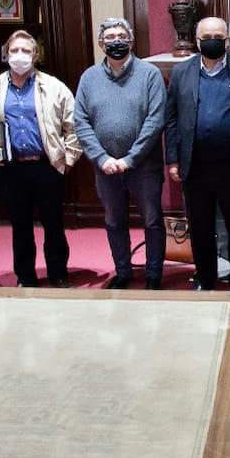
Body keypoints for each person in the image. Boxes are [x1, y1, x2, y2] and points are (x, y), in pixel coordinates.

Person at [0, 30, 81, 288]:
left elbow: (74, 127)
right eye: (14, 51)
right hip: (11, 168)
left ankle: (58, 274)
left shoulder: (54, 87)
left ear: (36, 55)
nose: (20, 56)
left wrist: (68, 159)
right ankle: (25, 277)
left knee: (53, 224)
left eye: (26, 51)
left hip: (47, 166)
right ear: (6, 55)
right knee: (20, 227)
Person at [164, 16, 230, 291]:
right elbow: (171, 119)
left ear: (227, 40)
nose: (212, 41)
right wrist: (172, 159)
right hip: (195, 166)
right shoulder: (182, 72)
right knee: (201, 228)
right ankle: (205, 277)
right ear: (197, 41)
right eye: (206, 37)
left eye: (217, 37)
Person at [74, 17, 167, 289]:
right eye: (110, 37)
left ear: (131, 41)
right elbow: (80, 121)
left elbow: (155, 120)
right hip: (106, 168)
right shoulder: (89, 78)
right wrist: (102, 158)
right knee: (114, 221)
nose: (117, 41)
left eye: (121, 36)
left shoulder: (149, 74)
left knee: (152, 220)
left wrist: (130, 158)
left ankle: (153, 275)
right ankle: (123, 272)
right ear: (101, 44)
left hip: (143, 166)